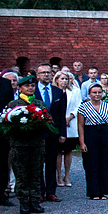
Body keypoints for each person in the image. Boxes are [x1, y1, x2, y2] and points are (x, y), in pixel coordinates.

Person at [6, 75, 51, 214]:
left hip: (36, 144)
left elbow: (47, 122)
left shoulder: (39, 104)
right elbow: (8, 125)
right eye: (27, 86)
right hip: (19, 145)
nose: (30, 88)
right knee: (22, 174)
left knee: (36, 173)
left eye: (32, 86)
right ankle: (24, 202)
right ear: (20, 88)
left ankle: (35, 201)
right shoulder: (13, 105)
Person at [77, 82, 108, 199]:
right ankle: (93, 191)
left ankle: (103, 191)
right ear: (89, 94)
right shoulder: (83, 107)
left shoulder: (107, 106)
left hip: (104, 134)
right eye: (94, 92)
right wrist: (82, 142)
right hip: (90, 134)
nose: (97, 95)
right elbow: (80, 126)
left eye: (99, 92)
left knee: (104, 163)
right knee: (91, 163)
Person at [34, 63, 66, 202]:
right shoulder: (32, 91)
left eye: (48, 72)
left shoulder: (58, 92)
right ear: (37, 75)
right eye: (43, 73)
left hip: (53, 132)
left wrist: (62, 133)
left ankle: (51, 191)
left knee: (51, 163)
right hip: (38, 133)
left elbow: (61, 114)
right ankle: (40, 191)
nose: (46, 75)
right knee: (38, 163)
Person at [0, 54, 15, 206]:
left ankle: (1, 195)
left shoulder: (5, 83)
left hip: (0, 131)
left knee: (1, 163)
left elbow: (9, 107)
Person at [54, 71, 81, 187]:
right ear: (57, 80)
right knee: (58, 151)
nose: (65, 81)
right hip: (58, 124)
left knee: (68, 150)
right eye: (62, 79)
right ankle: (59, 176)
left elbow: (78, 105)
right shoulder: (54, 91)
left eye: (66, 79)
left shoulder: (75, 91)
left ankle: (67, 176)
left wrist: (70, 117)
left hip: (71, 122)